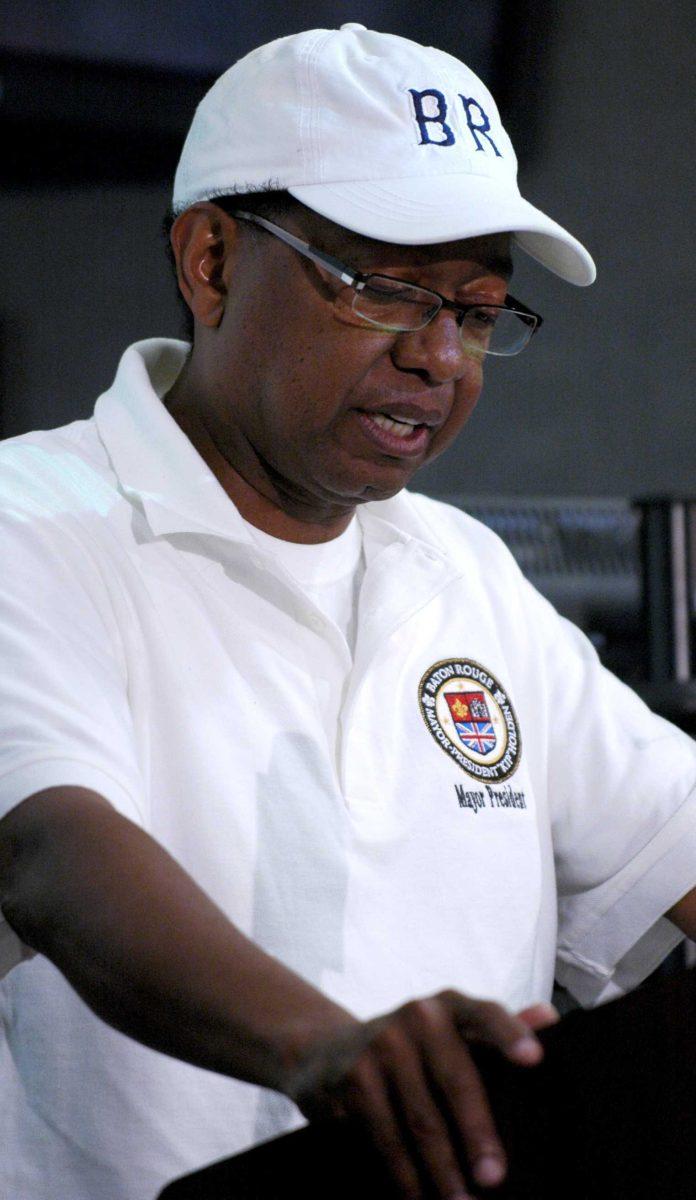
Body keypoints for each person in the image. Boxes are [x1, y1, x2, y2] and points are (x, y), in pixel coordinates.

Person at [1, 22, 695, 1200]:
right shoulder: (31, 521)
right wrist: (333, 1050)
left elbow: (670, 851)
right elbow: (49, 847)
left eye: (476, 314)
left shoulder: (465, 574)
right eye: (388, 292)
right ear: (212, 260)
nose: (441, 358)